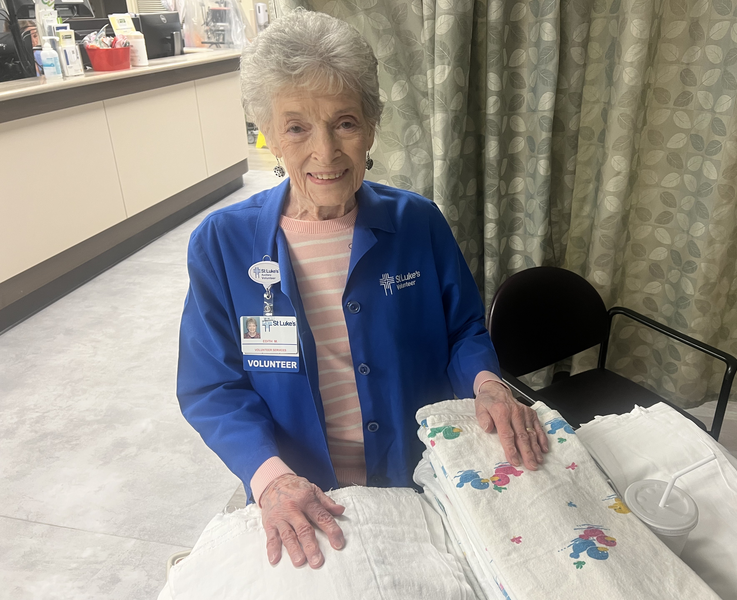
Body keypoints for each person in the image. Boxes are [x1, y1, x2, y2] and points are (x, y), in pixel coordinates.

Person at [177, 9, 549, 572]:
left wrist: (487, 383)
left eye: (345, 123)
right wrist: (270, 479)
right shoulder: (222, 243)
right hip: (302, 492)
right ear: (268, 133)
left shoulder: (418, 222)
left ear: (372, 126)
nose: (325, 152)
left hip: (423, 475)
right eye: (297, 127)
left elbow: (464, 330)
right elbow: (212, 387)